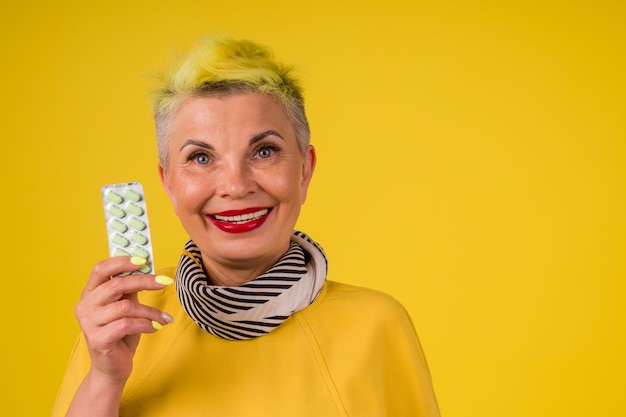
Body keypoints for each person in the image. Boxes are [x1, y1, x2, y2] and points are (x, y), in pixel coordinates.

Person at [52, 34, 440, 417]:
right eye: (202, 158)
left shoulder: (377, 326)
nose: (236, 186)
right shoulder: (121, 322)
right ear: (169, 183)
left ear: (304, 170)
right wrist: (104, 379)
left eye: (264, 151)